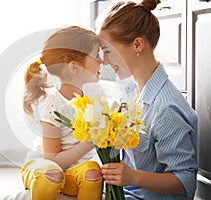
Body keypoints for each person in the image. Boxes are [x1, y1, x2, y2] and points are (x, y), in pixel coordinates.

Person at [98, 0, 198, 199]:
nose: (104, 61)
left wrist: (134, 177)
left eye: (108, 51)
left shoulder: (165, 108)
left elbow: (186, 181)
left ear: (137, 44)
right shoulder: (132, 91)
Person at [21, 26, 103, 200]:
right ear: (75, 68)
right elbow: (52, 159)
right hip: (43, 167)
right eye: (96, 56)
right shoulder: (52, 104)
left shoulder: (95, 94)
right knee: (52, 175)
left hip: (74, 172)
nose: (101, 62)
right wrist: (91, 141)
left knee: (93, 173)